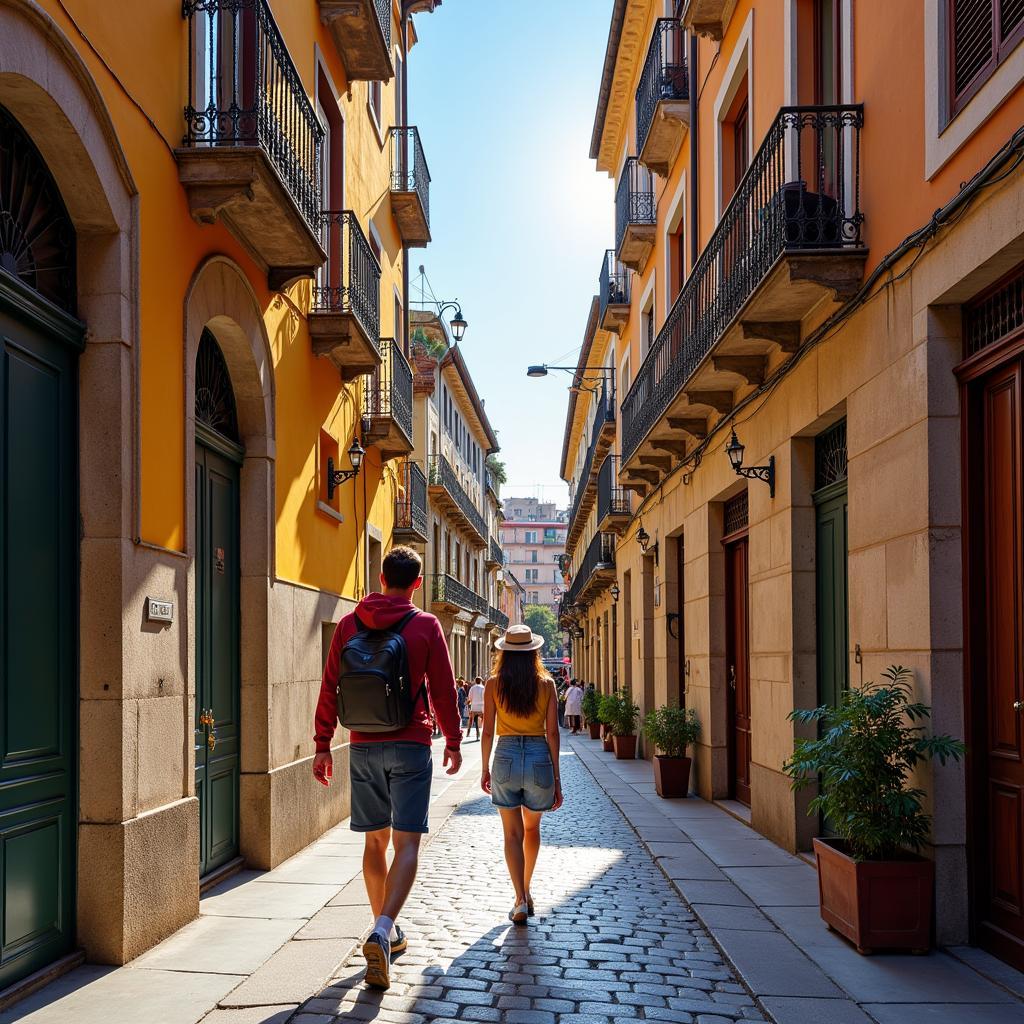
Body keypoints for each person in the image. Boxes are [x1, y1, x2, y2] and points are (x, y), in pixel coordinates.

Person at [312, 545, 462, 991]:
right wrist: (453, 740)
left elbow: (329, 686)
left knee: (374, 842)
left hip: (361, 745)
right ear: (417, 583)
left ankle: (387, 931)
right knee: (408, 842)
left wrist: (323, 744)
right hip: (411, 744)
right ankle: (383, 929)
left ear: (381, 578)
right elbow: (443, 688)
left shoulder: (348, 624)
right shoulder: (425, 625)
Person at [481, 624, 563, 925]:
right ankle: (527, 890)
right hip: (539, 756)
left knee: (511, 834)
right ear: (533, 653)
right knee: (531, 830)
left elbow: (487, 730)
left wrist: (485, 767)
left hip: (506, 757)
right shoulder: (547, 684)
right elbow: (553, 733)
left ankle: (518, 898)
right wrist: (556, 778)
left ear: (504, 653)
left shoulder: (493, 684)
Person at [466, 675, 486, 740]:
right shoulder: (483, 688)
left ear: (475, 681)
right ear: (480, 681)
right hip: (481, 707)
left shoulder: (472, 688)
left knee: (471, 719)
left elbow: (470, 698)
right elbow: (485, 697)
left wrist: (468, 702)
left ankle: (468, 732)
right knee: (484, 720)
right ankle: (484, 731)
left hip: (474, 707)